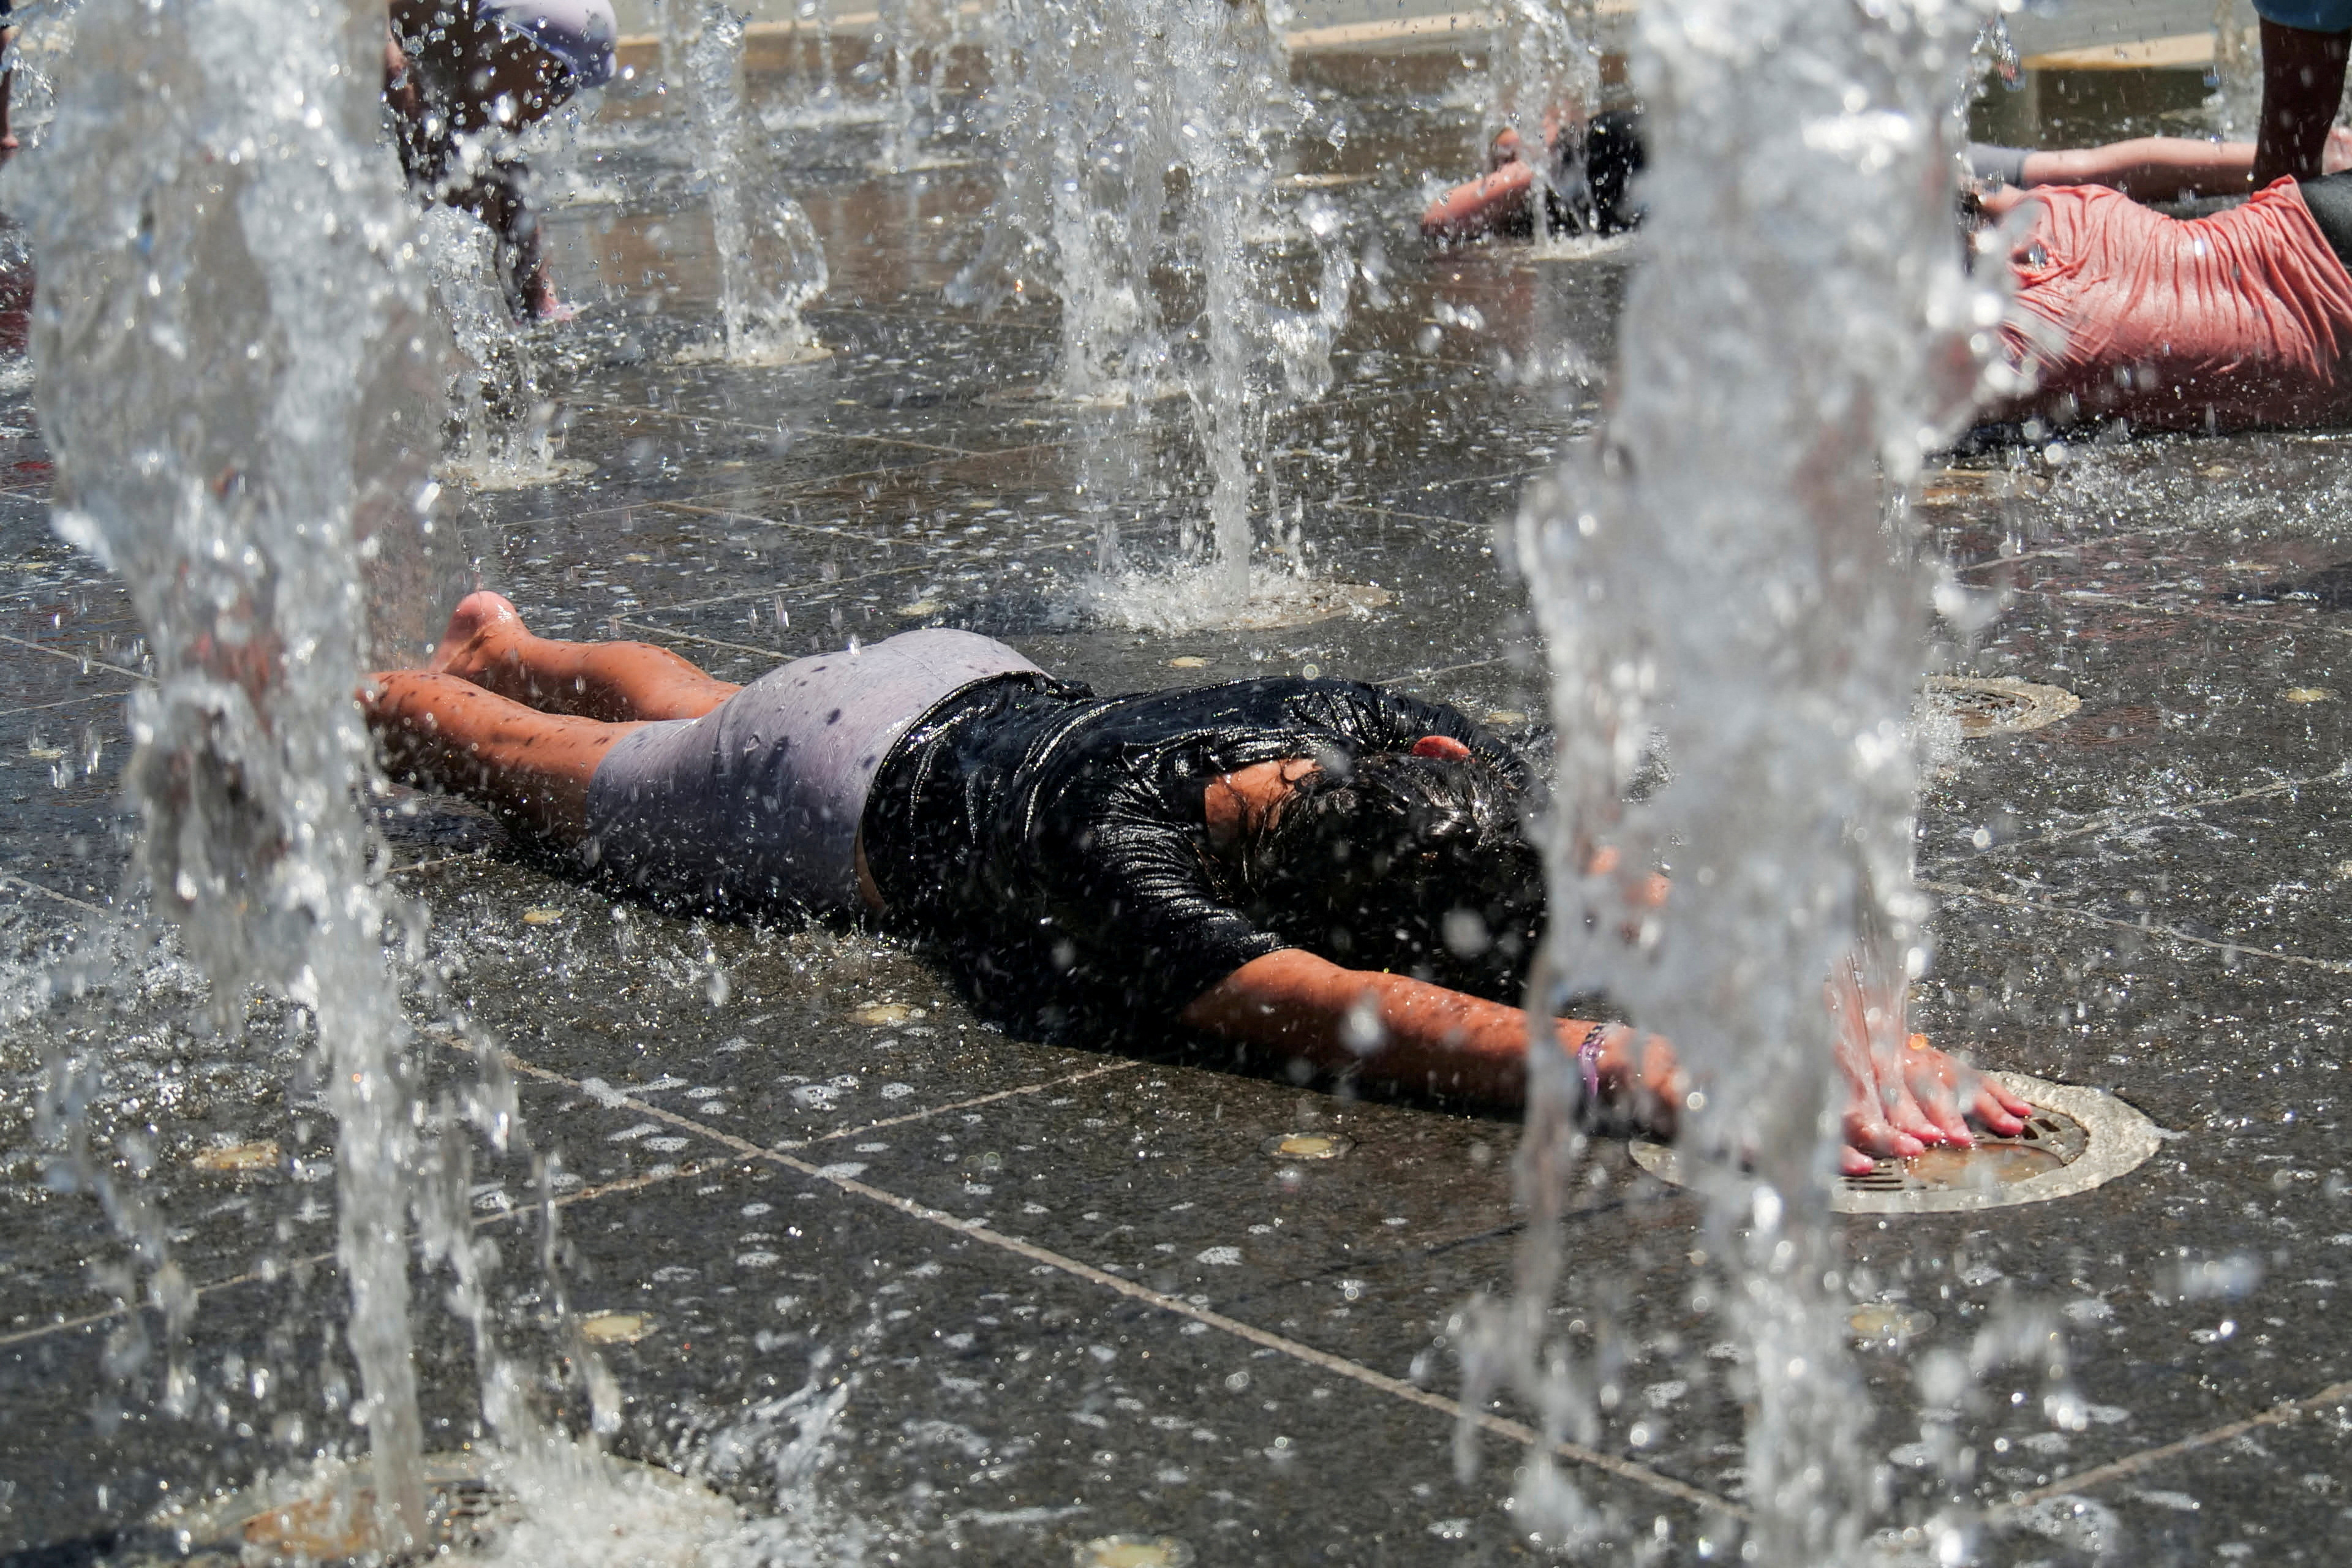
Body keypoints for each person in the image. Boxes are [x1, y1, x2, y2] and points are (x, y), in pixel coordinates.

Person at [364, 592, 2032, 1172]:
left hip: (947, 678)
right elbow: (1334, 1013)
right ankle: (367, 697)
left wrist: (1828, 1005)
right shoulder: (1125, 868)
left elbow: (1609, 883)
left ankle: (509, 641)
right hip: (814, 789)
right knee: (539, 781)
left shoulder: (1388, 738)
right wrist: (1613, 1068)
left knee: (694, 700)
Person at [1420, 108, 2352, 244]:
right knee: (2080, 166)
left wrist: (1468, 206)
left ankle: (2060, 228)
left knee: (2012, 198)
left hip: (1831, 178)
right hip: (1856, 140)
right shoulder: (1631, 118)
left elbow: (1443, 218)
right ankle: (2321, 151)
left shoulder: (1567, 161)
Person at [384, 0, 617, 320]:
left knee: (451, 166)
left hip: (527, 23)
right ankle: (538, 300)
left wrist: (423, 148)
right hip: (564, 20)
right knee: (483, 156)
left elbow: (390, 62)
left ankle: (470, 320)